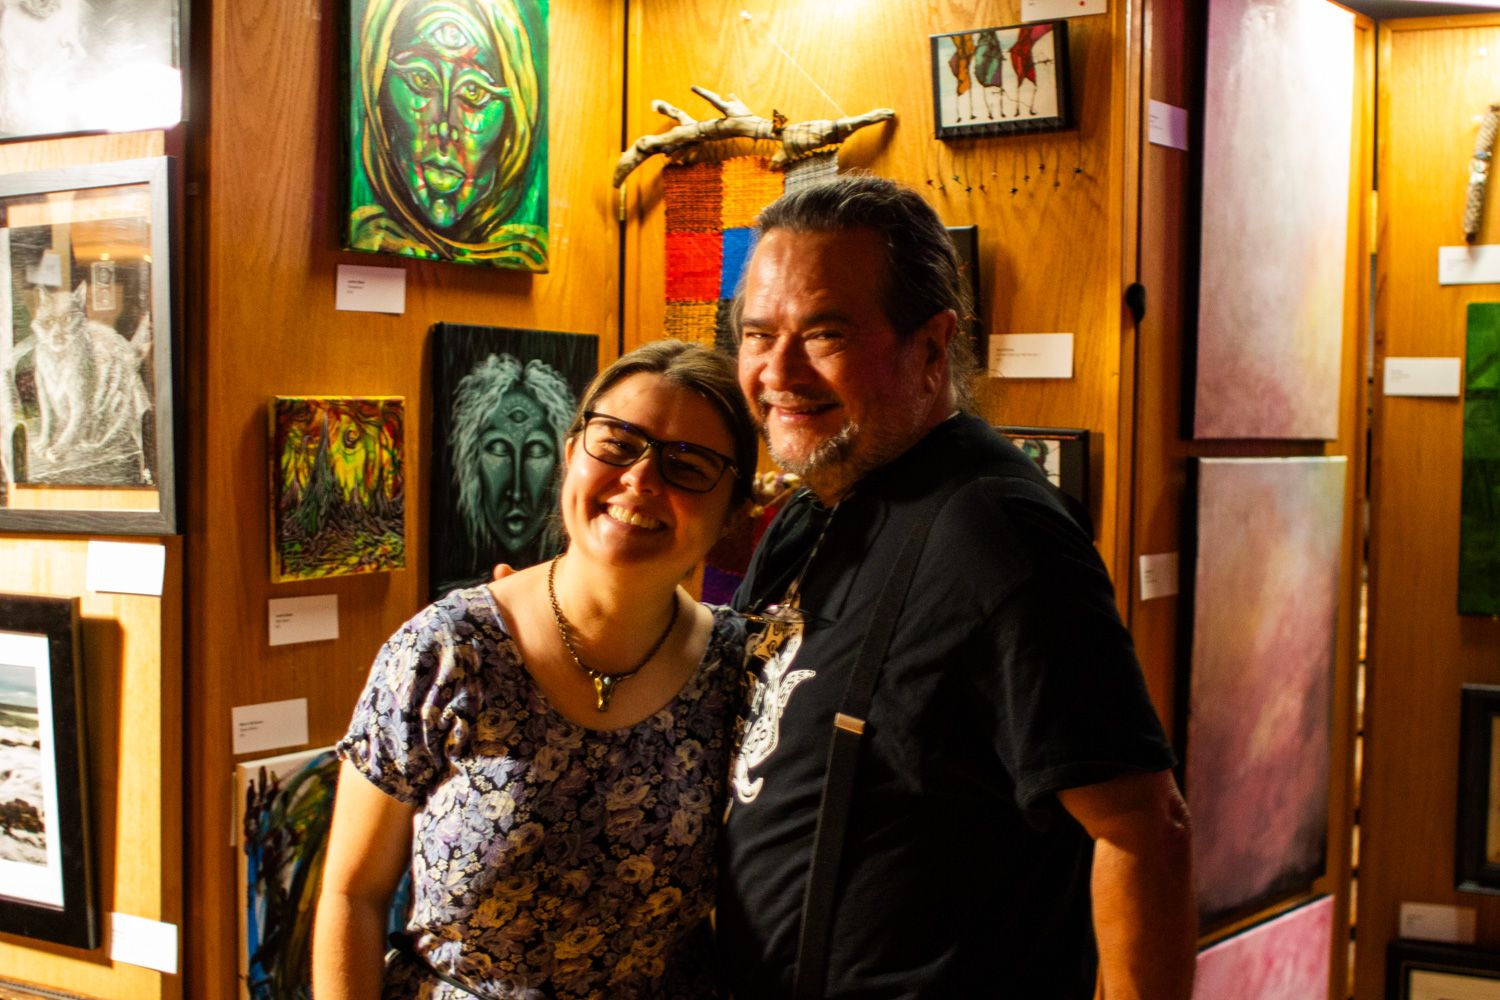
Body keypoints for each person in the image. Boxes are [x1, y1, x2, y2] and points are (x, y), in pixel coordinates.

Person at [718, 175, 1195, 999]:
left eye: (825, 333)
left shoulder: (997, 533)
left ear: (933, 348)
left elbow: (1142, 830)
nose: (778, 370)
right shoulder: (813, 513)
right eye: (759, 335)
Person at [312, 340, 760, 999]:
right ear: (571, 454)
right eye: (617, 443)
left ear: (734, 513)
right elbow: (353, 894)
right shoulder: (451, 649)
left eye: (687, 464)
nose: (640, 479)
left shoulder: (739, 670)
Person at [349, 0, 547, 269]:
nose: (444, 127)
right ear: (378, 85)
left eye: (474, 92)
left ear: (516, 117)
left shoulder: (523, 254)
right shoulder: (366, 234)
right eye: (422, 79)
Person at [440, 352, 574, 592]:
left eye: (536, 451)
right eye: (498, 449)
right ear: (471, 460)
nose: (517, 492)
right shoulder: (453, 610)